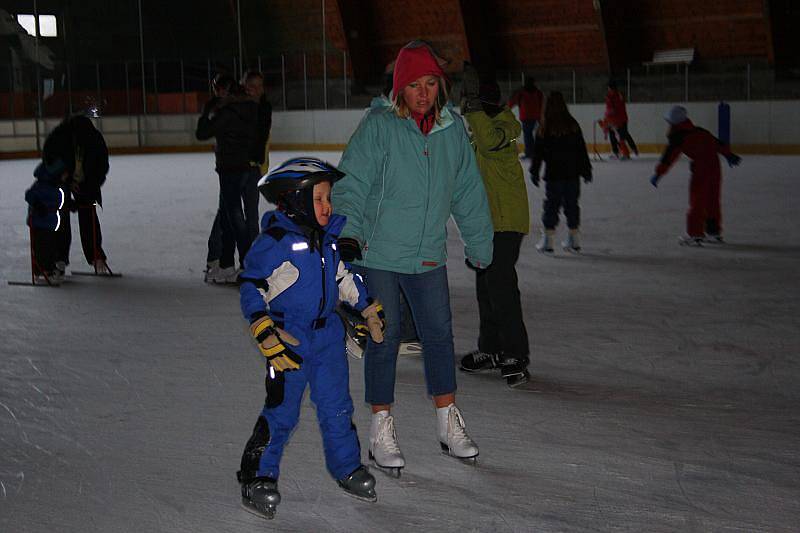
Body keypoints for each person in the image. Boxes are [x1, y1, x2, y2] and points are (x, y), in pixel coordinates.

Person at [332, 41, 494, 476]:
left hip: (427, 257)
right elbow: (351, 183)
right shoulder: (380, 126)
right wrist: (347, 237)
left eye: (430, 84)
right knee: (384, 338)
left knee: (439, 336)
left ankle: (448, 422)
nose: (423, 93)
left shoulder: (452, 130)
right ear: (399, 89)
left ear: (439, 86)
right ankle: (381, 427)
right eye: (414, 85)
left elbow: (468, 192)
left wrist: (480, 244)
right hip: (380, 254)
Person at [237, 157, 386, 519]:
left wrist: (366, 306)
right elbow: (251, 285)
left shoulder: (328, 241)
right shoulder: (275, 242)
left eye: (328, 198)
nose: (327, 206)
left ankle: (347, 467)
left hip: (328, 338)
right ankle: (258, 476)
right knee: (282, 411)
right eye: (319, 199)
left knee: (337, 408)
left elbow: (342, 278)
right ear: (296, 200)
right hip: (290, 339)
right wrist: (263, 326)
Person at [458, 75, 532, 388]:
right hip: (485, 226)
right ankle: (490, 348)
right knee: (485, 287)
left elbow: (488, 141)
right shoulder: (479, 135)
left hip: (506, 223)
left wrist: (474, 109)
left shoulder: (503, 129)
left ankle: (515, 353)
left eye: (471, 105)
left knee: (501, 286)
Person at [196, 77, 259, 283]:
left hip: (231, 167)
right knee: (228, 216)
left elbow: (202, 133)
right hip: (243, 167)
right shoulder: (249, 109)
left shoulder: (228, 113)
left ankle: (244, 263)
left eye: (218, 90)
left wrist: (207, 112)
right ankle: (226, 264)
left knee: (233, 217)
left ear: (225, 91)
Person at [650, 105, 741, 246]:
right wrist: (729, 155)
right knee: (712, 200)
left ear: (674, 123)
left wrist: (658, 174)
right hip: (715, 168)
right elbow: (717, 143)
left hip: (701, 169)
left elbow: (668, 158)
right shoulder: (700, 131)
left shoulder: (678, 137)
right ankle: (714, 233)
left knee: (697, 200)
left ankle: (694, 233)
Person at [37, 114, 112, 275]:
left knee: (88, 213)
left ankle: (96, 256)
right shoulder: (60, 137)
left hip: (86, 182)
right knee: (61, 216)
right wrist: (66, 178)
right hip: (61, 179)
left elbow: (102, 167)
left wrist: (89, 186)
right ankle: (59, 258)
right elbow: (48, 159)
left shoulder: (95, 140)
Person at [529, 91, 592, 253]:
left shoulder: (544, 127)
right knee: (572, 205)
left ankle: (548, 241)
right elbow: (581, 150)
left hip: (554, 175)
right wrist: (586, 170)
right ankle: (574, 238)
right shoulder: (572, 124)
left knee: (551, 205)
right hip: (572, 175)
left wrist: (534, 172)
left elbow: (538, 154)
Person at [199, 73, 233, 282]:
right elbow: (203, 132)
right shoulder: (219, 111)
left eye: (223, 89)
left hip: (241, 168)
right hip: (228, 168)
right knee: (227, 212)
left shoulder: (237, 109)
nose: (220, 93)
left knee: (231, 214)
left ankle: (221, 259)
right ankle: (217, 258)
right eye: (217, 89)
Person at [23, 157, 69, 284]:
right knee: (42, 247)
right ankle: (42, 270)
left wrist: (71, 205)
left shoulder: (57, 187)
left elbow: (62, 201)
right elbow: (29, 195)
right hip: (39, 222)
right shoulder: (41, 185)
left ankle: (48, 267)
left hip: (51, 222)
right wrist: (38, 205)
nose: (66, 177)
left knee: (52, 246)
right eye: (64, 174)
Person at [242, 70, 273, 241]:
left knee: (251, 213)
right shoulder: (239, 107)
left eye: (260, 86)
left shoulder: (263, 108)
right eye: (253, 86)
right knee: (228, 213)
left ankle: (250, 256)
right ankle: (218, 257)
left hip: (253, 167)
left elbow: (261, 138)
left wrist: (262, 165)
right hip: (235, 166)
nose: (258, 90)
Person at [508, 77, 543, 160]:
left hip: (526, 117)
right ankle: (534, 152)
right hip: (535, 117)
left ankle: (530, 153)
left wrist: (507, 108)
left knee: (528, 135)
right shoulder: (537, 92)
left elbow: (512, 101)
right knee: (533, 135)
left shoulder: (521, 92)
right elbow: (541, 104)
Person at [604, 80, 638, 160]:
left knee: (620, 135)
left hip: (616, 120)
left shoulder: (611, 96)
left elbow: (613, 109)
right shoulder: (618, 95)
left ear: (609, 88)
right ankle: (627, 150)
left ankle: (622, 152)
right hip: (621, 118)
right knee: (621, 134)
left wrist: (607, 115)